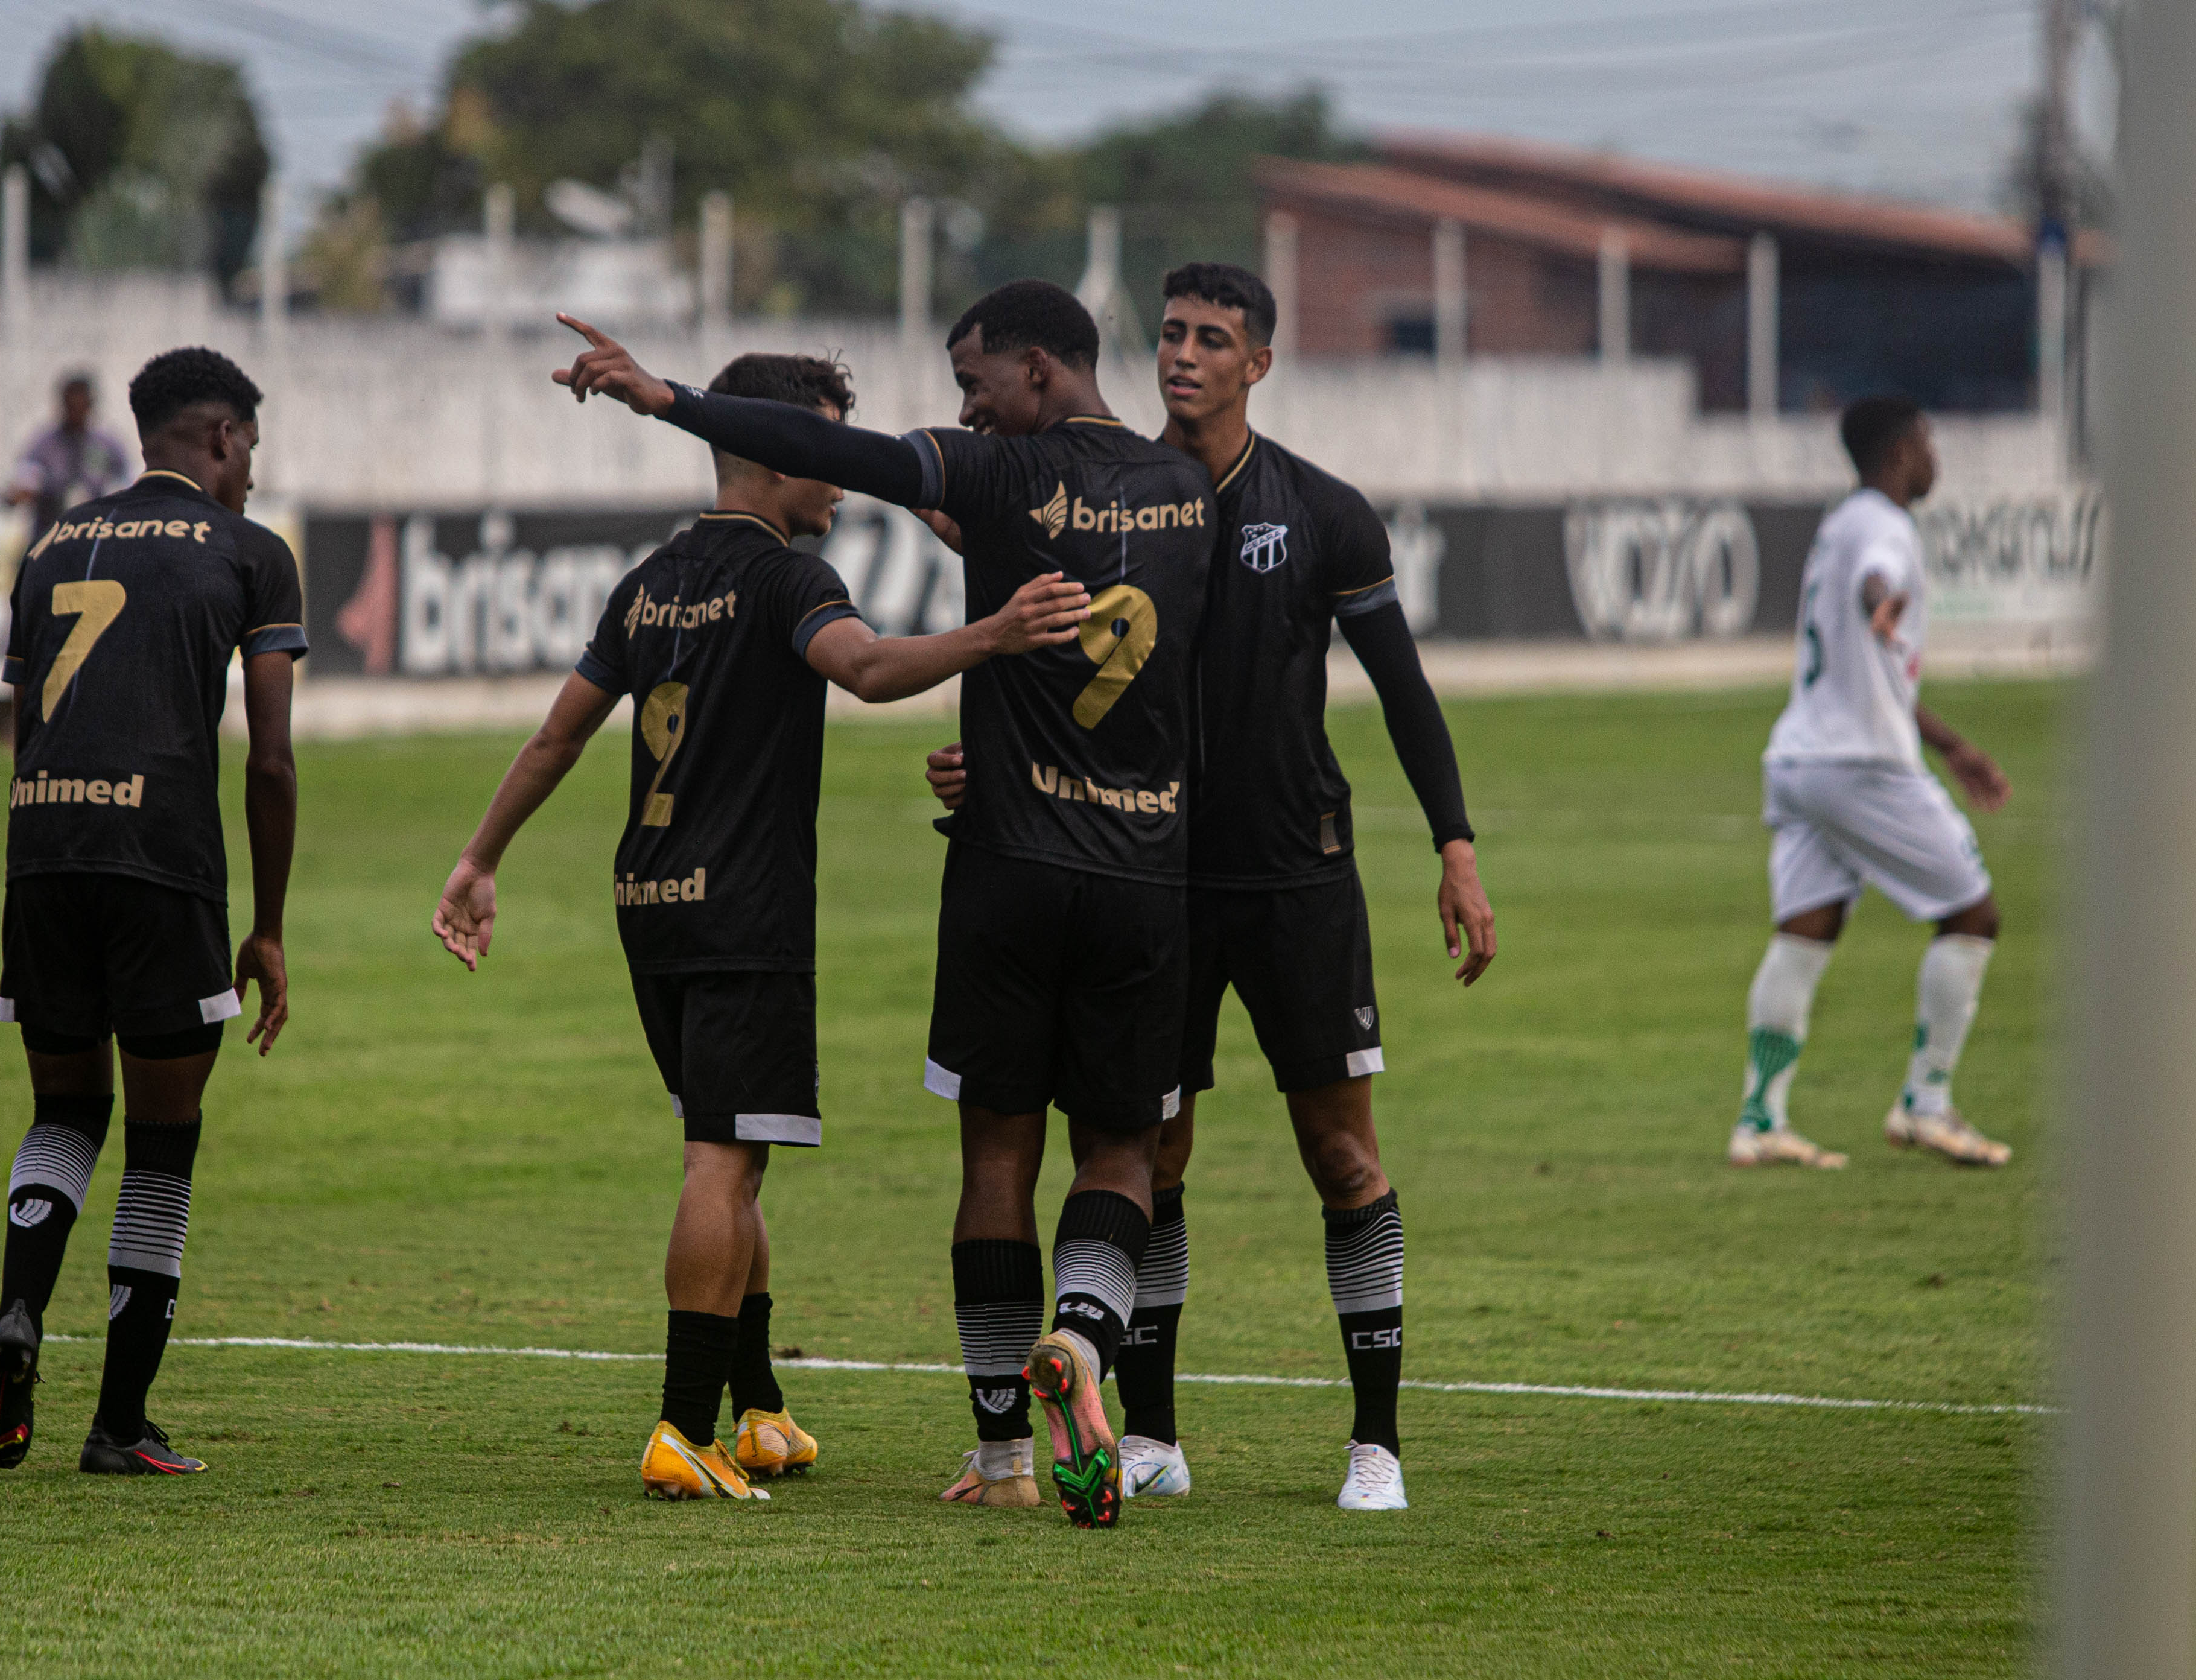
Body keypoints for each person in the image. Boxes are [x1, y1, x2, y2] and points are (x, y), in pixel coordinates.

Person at [553, 280, 1216, 1529]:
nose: (964, 410)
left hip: (1005, 867)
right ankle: (1082, 1336)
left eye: (972, 383)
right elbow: (1208, 674)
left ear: (1035, 368)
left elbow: (837, 452)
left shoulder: (999, 477)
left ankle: (1002, 1451)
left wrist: (665, 398)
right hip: (1143, 870)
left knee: (995, 1153)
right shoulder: (1189, 491)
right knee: (1122, 1150)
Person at [433, 351, 1090, 1503]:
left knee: (733, 1150)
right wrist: (993, 635)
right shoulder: (787, 581)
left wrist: (480, 859)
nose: (839, 477)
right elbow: (867, 669)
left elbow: (557, 736)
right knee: (721, 1160)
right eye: (826, 450)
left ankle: (758, 1409)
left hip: (649, 902)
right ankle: (682, 1426)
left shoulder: (648, 582)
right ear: (780, 456)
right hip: (745, 909)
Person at [925, 264, 1496, 1512]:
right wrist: (990, 766)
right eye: (1172, 333)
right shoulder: (1107, 494)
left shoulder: (1325, 513)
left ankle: (1376, 1444)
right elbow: (1046, 663)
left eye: (1213, 339)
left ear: (1259, 364)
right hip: (1155, 877)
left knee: (1340, 1154)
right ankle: (1151, 1435)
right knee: (1153, 1152)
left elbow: (1402, 688)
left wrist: (1453, 844)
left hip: (1296, 875)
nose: (1183, 355)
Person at [0, 347, 303, 1477]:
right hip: (162, 862)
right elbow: (269, 761)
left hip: (41, 853)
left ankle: (19, 1311)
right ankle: (118, 1423)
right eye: (250, 449)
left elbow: (25, 730)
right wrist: (267, 926)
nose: (252, 473)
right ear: (220, 437)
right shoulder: (250, 552)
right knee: (163, 1139)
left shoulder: (50, 545)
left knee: (64, 1112)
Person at [1729, 395, 2011, 1170]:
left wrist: (1951, 746)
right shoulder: (1884, 527)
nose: (1933, 457)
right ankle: (1925, 1104)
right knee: (1973, 913)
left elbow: (1873, 673)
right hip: (1858, 764)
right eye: (1926, 442)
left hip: (1801, 759)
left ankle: (1759, 1120)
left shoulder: (1840, 522)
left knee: (1805, 929)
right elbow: (1874, 582)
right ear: (1898, 452)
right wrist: (1883, 603)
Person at [5, 373, 133, 551]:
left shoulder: (107, 445)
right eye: (71, 407)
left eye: (81, 407)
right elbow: (24, 481)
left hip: (94, 538)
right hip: (50, 539)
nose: (76, 414)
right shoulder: (44, 444)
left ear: (90, 405)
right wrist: (27, 491)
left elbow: (127, 482)